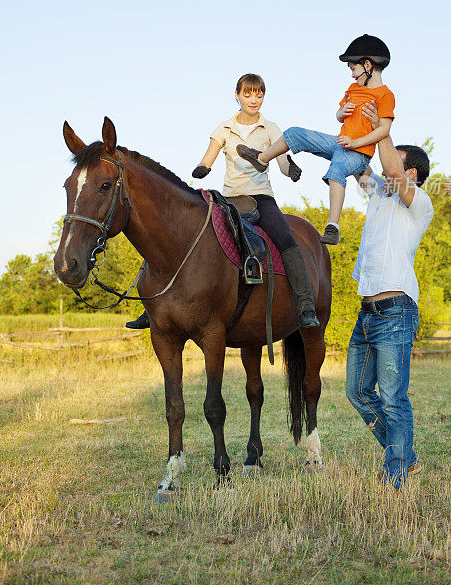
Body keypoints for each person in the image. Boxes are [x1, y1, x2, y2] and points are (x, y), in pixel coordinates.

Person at [126, 72, 319, 330]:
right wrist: (202, 169)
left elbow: (281, 161)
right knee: (176, 236)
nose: (254, 99)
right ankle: (150, 308)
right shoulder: (224, 128)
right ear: (237, 95)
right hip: (229, 200)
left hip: (261, 198)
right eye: (248, 93)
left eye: (259, 94)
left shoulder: (271, 128)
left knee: (287, 240)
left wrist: (290, 169)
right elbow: (208, 158)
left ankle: (305, 305)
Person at [345, 99, 434, 489]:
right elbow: (359, 167)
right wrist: (354, 125)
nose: (385, 165)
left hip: (396, 310)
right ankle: (406, 456)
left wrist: (382, 124)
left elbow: (391, 170)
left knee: (394, 398)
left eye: (393, 159)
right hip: (367, 311)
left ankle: (394, 475)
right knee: (358, 392)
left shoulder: (420, 204)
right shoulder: (379, 196)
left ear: (410, 171)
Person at [237, 34, 395, 245]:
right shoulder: (354, 89)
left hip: (359, 153)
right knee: (294, 133)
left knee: (337, 169)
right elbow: (339, 116)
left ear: (368, 65)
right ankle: (262, 159)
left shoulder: (385, 95)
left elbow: (384, 129)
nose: (352, 75)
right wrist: (342, 112)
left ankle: (333, 226)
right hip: (340, 142)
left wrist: (356, 143)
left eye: (353, 69)